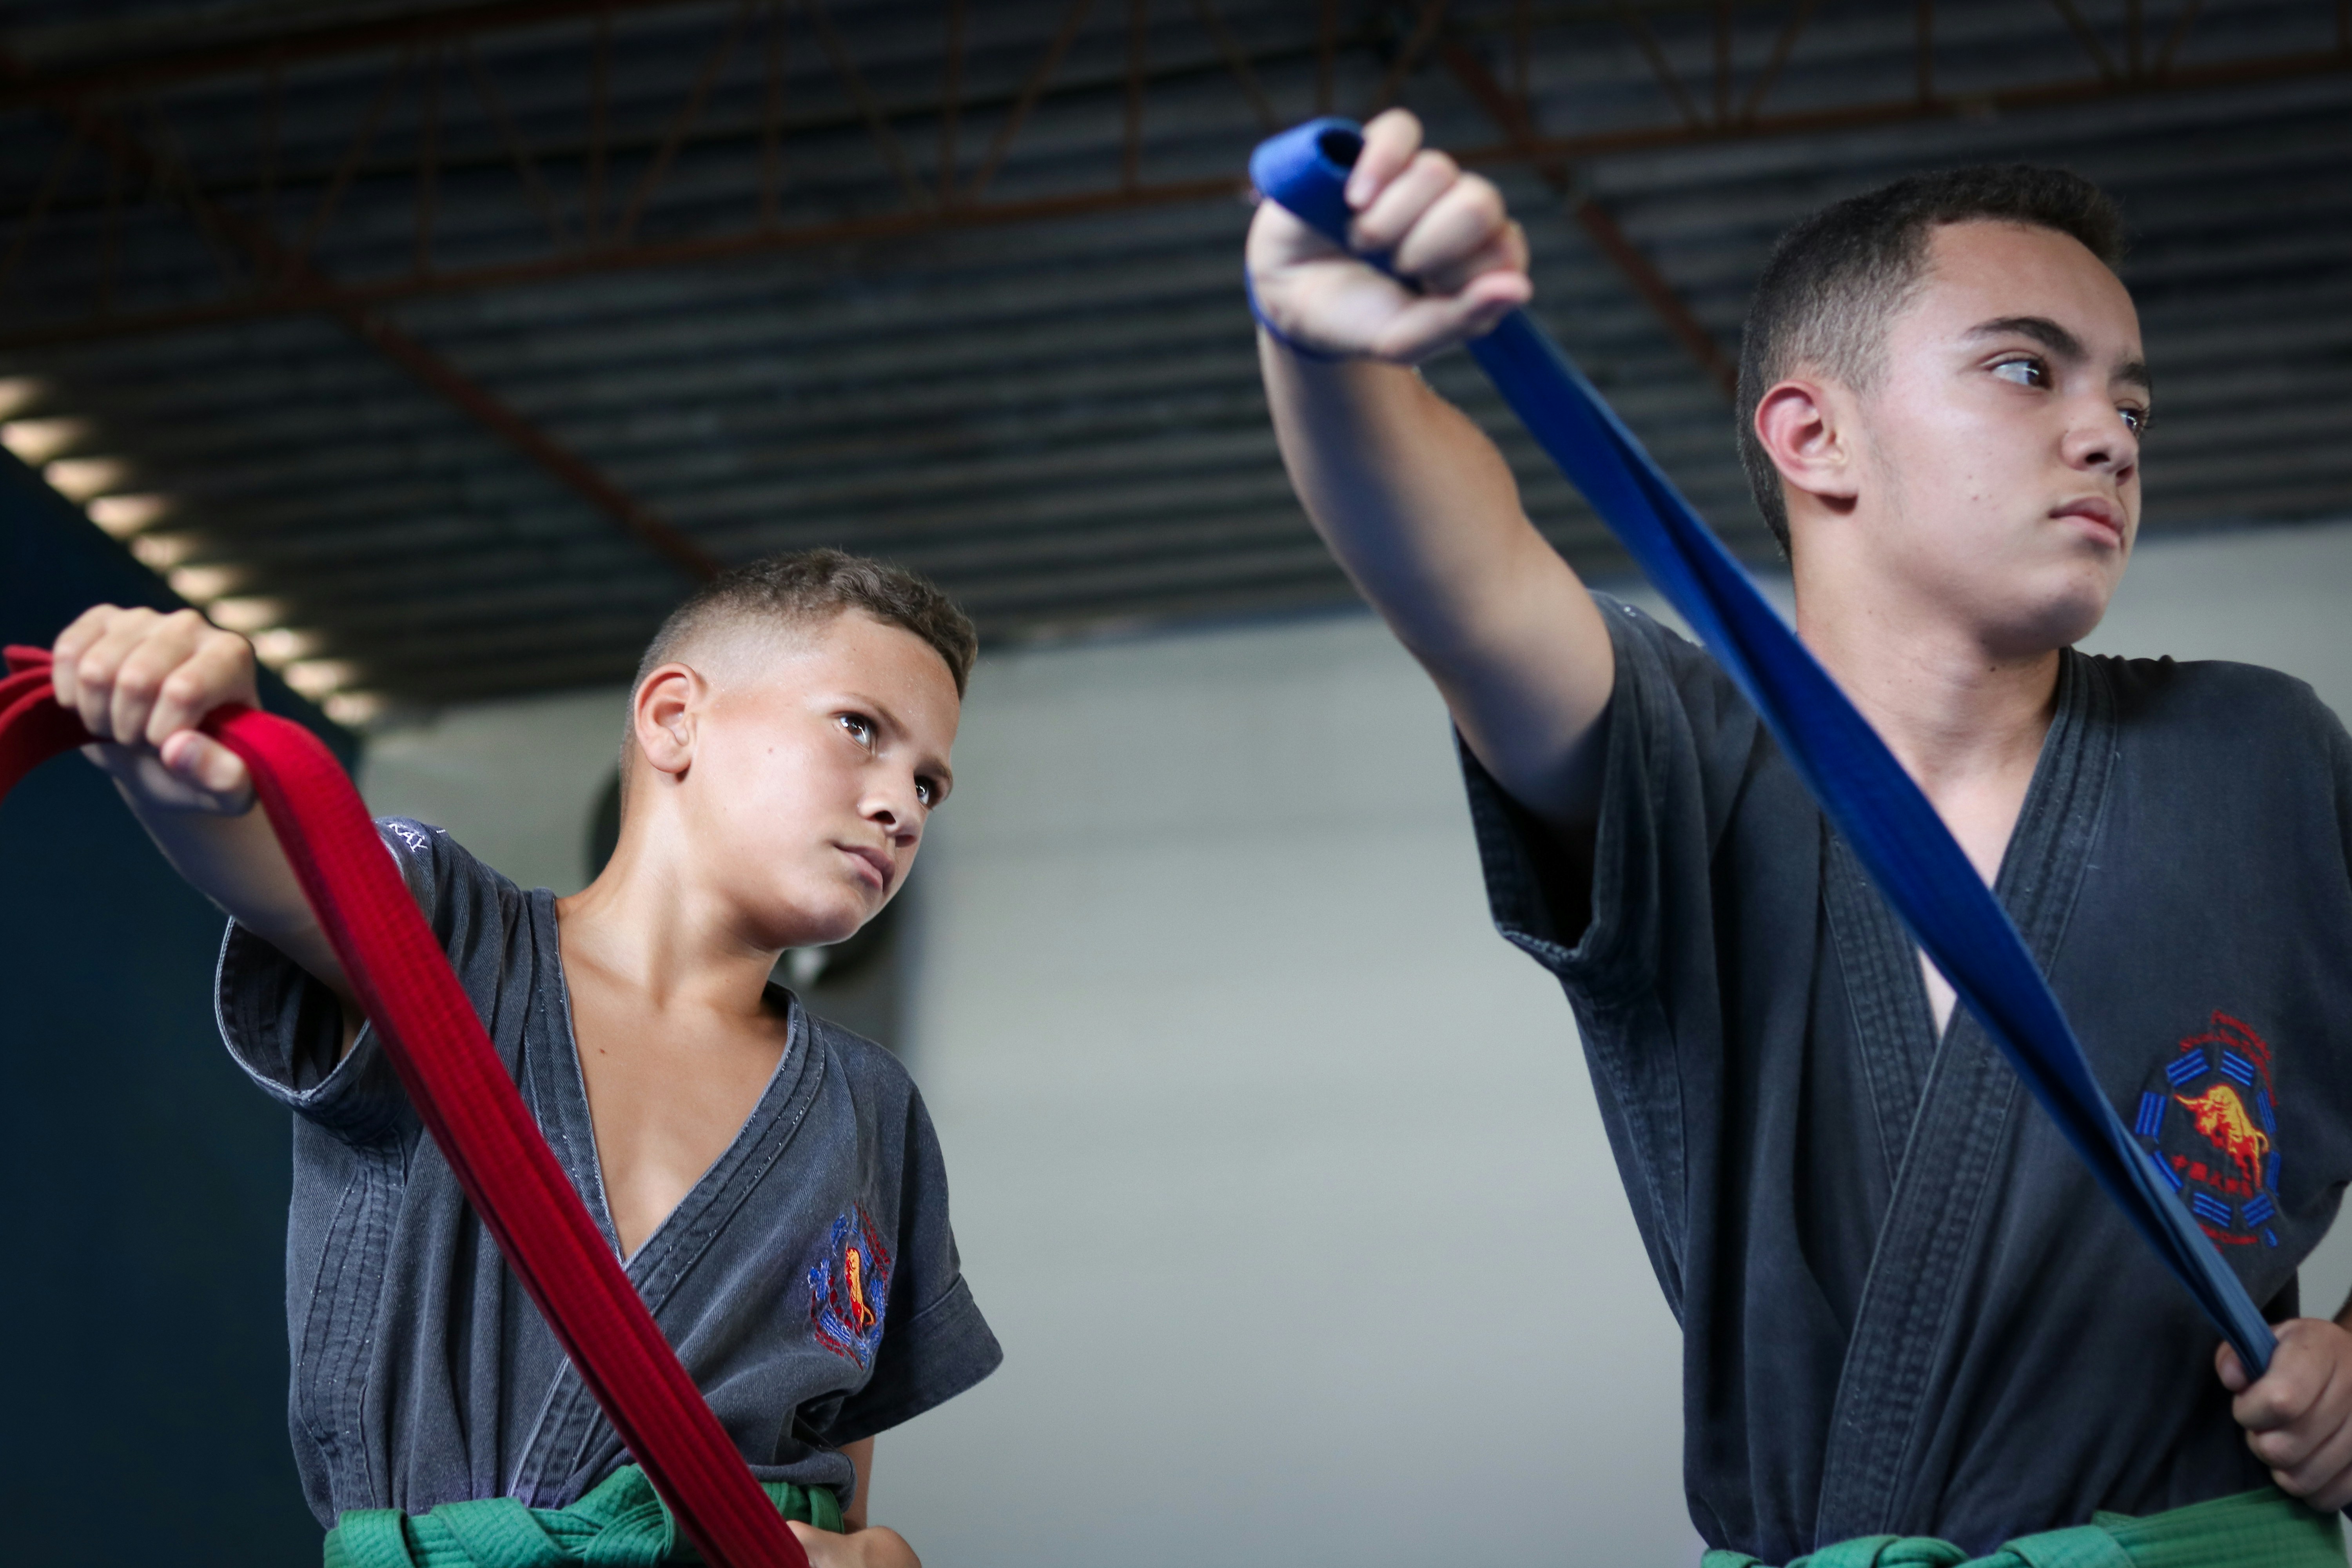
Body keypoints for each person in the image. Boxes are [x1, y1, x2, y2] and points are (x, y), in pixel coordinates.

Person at [1247, 108, 2352, 1563]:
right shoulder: (1677, 759)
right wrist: (1324, 341)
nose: (2106, 435)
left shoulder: (2260, 755)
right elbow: (1457, 576)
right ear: (1813, 434)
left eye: (2130, 406)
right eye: (2026, 369)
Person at [47, 549, 1000, 1567]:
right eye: (861, 730)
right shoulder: (448, 936)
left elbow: (840, 1481)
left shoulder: (873, 1109)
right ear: (676, 719)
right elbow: (277, 864)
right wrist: (180, 755)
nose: (901, 805)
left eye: (930, 784)